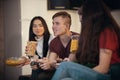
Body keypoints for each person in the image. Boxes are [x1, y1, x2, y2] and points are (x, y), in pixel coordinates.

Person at [51, 0, 120, 80]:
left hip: (109, 74)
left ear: (91, 19)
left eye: (83, 21)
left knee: (64, 66)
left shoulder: (107, 32)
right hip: (97, 71)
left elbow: (103, 68)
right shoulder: (92, 36)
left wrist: (82, 73)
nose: (83, 25)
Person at [36, 11, 79, 80]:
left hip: (77, 70)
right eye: (53, 23)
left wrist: (56, 63)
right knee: (42, 76)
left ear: (67, 26)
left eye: (57, 24)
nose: (53, 26)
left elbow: (72, 61)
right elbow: (51, 62)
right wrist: (48, 64)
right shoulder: (54, 42)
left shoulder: (77, 38)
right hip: (63, 69)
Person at [19, 16, 53, 80]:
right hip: (39, 68)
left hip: (50, 68)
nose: (38, 28)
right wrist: (32, 62)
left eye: (40, 25)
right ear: (31, 28)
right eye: (34, 26)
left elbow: (50, 59)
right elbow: (34, 59)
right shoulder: (31, 42)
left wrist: (37, 62)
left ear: (44, 27)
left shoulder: (51, 39)